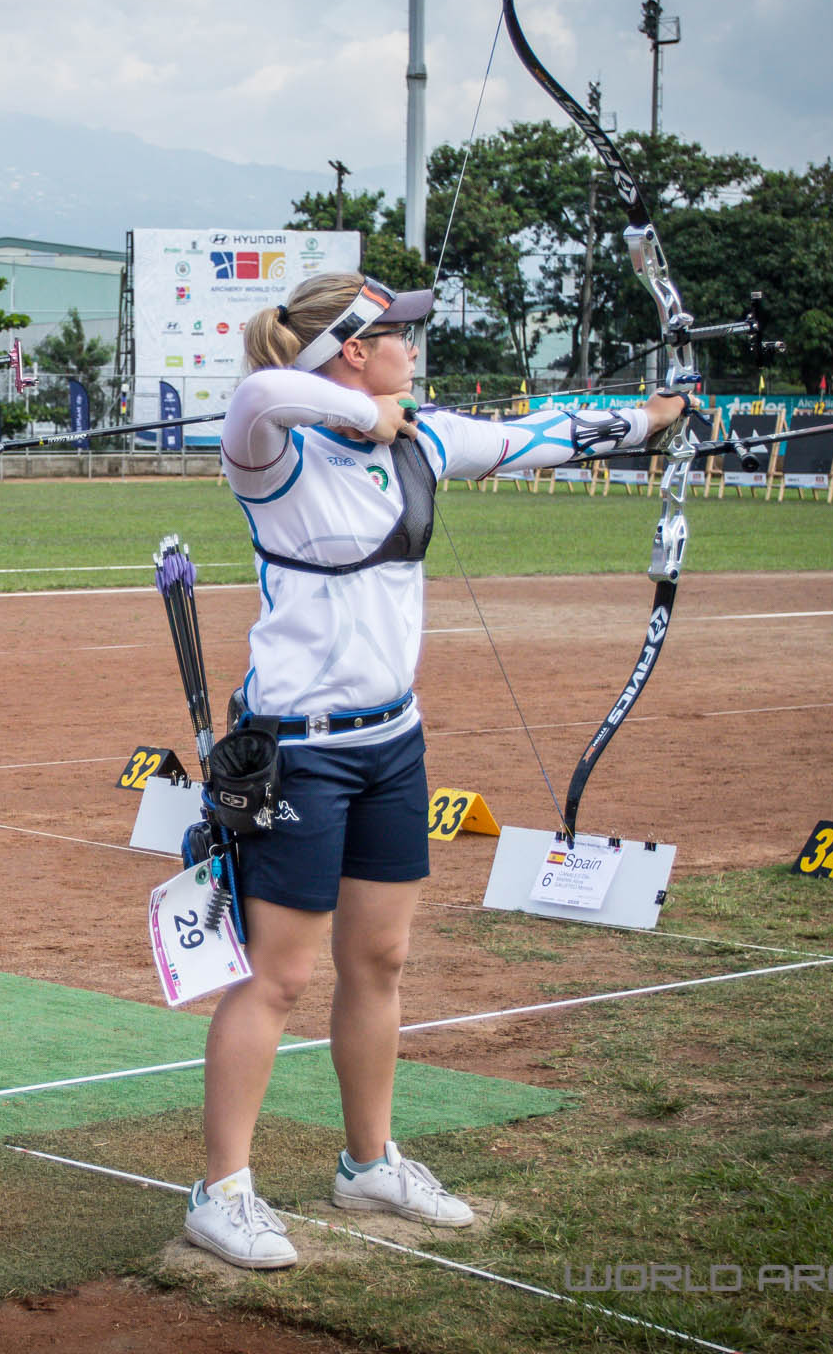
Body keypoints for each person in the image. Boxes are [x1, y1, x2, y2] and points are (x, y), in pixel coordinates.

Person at [183, 273, 693, 1269]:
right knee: (279, 974)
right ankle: (222, 1190)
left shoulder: (420, 437)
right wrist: (371, 412)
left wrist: (655, 417)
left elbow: (540, 434)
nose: (415, 353)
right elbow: (258, 392)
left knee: (379, 960)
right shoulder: (270, 450)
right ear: (354, 353)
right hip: (298, 747)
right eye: (397, 342)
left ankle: (368, 1161)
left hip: (392, 743)